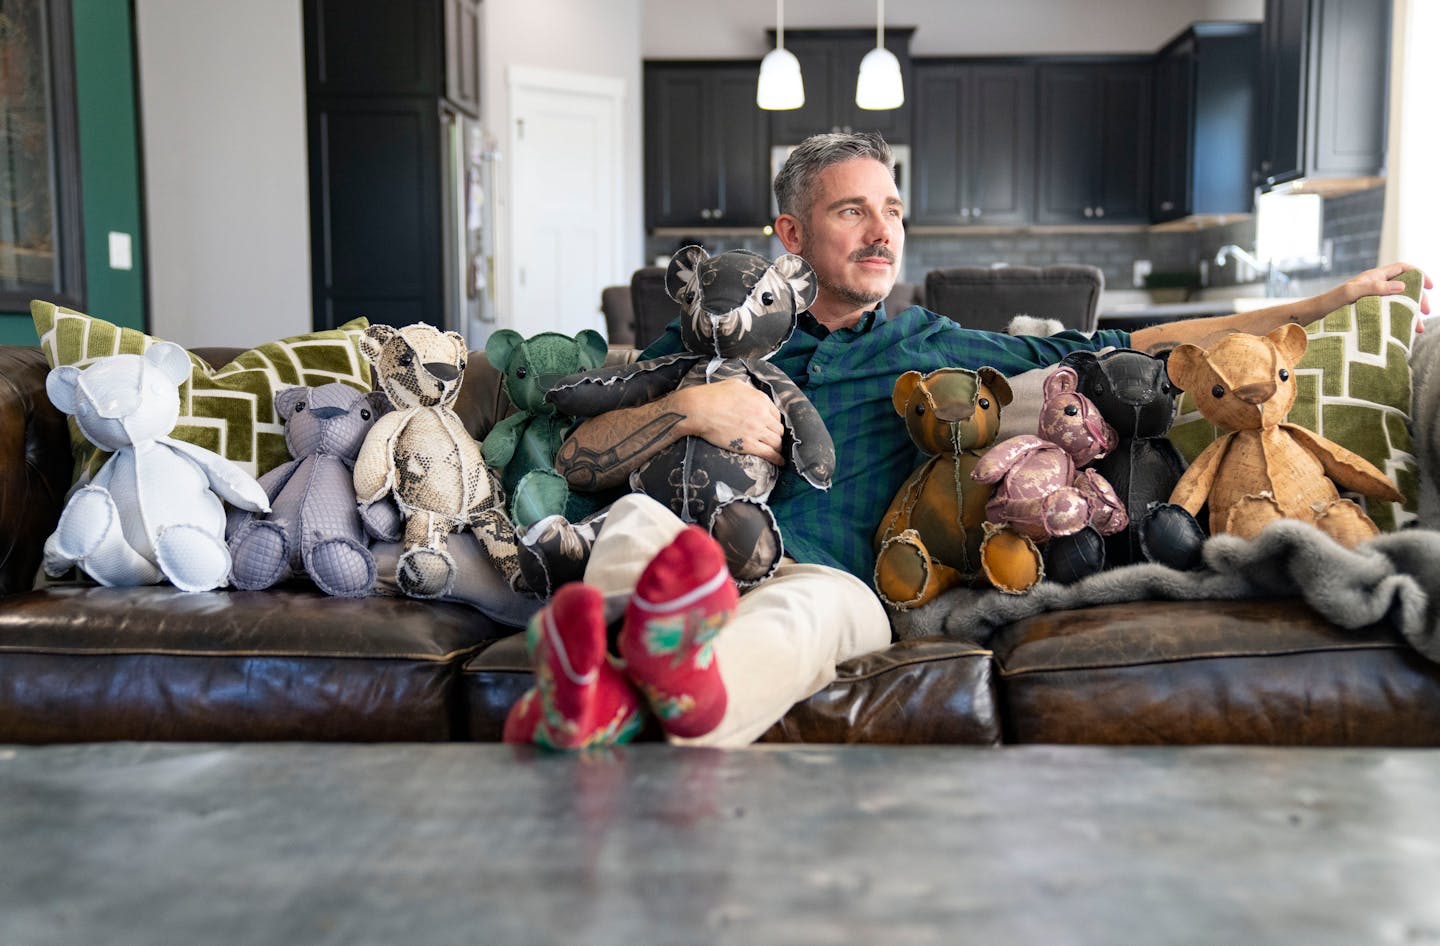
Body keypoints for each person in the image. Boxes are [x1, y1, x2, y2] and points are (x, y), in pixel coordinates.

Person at [514, 131, 1432, 750]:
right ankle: (626, 664)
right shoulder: (720, 335)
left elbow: (1150, 347)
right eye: (852, 212)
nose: (884, 233)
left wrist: (1328, 303)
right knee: (633, 522)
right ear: (791, 233)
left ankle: (627, 699)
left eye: (893, 210)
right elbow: (573, 451)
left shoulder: (935, 347)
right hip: (687, 545)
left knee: (801, 626)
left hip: (822, 571)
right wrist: (693, 411)